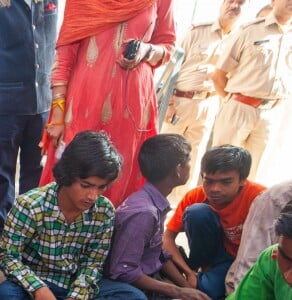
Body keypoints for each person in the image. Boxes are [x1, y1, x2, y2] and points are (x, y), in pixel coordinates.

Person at [39, 0, 176, 208]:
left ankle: (112, 235)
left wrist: (146, 51)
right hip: (84, 103)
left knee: (121, 172)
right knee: (78, 170)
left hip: (132, 107)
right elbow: (64, 55)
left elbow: (167, 47)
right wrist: (57, 117)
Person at [0, 130, 129, 300]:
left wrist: (76, 296)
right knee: (6, 294)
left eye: (101, 187)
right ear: (67, 175)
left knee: (131, 295)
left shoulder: (104, 211)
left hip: (73, 282)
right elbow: (8, 257)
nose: (93, 196)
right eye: (85, 185)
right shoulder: (30, 205)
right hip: (33, 282)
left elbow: (93, 265)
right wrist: (39, 289)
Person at [105, 134, 210, 300]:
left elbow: (156, 253)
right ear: (177, 170)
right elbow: (123, 270)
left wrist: (185, 286)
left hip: (147, 274)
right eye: (189, 161)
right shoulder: (144, 213)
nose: (191, 166)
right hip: (128, 286)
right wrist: (177, 291)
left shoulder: (153, 202)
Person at [160, 0, 247, 202]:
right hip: (181, 102)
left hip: (208, 104)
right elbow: (172, 68)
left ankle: (181, 206)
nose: (235, 6)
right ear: (222, 4)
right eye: (231, 1)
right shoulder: (198, 31)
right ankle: (158, 201)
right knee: (168, 156)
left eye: (241, 3)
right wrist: (169, 104)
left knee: (194, 159)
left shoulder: (239, 38)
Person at [211, 0, 292, 180]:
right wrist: (234, 101)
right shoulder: (250, 30)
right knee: (221, 171)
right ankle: (211, 208)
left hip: (271, 114)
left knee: (253, 176)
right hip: (239, 108)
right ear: (274, 1)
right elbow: (219, 75)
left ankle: (248, 209)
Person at [163, 145, 266, 300]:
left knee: (211, 291)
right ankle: (199, 271)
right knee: (197, 212)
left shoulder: (260, 198)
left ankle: (195, 280)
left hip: (241, 258)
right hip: (211, 255)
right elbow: (167, 237)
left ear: (242, 180)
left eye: (226, 182)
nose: (215, 189)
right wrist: (189, 272)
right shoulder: (195, 195)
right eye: (208, 181)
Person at [0, 0, 58, 234]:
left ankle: (27, 233)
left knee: (37, 174)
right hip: (5, 103)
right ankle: (3, 237)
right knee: (2, 176)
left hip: (43, 101)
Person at [225, 178, 292, 294]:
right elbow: (248, 261)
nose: (291, 278)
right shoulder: (270, 258)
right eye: (286, 258)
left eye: (226, 181)